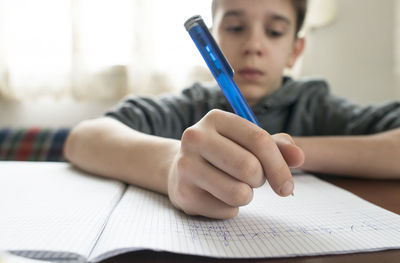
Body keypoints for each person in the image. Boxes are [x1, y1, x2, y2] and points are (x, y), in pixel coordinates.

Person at [64, 0, 400, 219]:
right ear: (214, 39)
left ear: (295, 50)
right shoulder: (192, 106)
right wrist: (170, 167)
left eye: (275, 31)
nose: (254, 46)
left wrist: (282, 149)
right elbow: (84, 138)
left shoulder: (317, 107)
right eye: (236, 28)